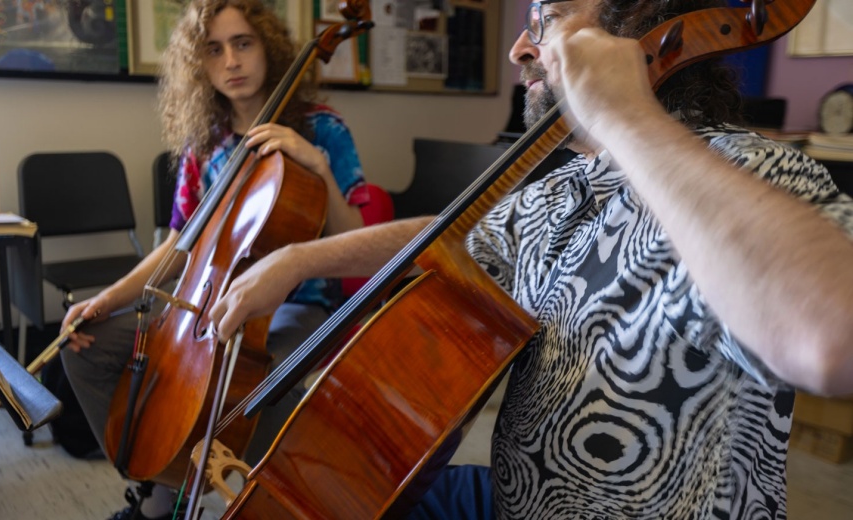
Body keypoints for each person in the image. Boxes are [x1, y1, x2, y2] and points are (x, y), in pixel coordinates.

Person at [209, 0, 853, 518]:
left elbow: (833, 337)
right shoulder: (567, 186)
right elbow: (446, 233)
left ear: (639, 29)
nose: (521, 48)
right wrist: (296, 259)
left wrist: (629, 116)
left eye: (546, 19)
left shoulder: (754, 173)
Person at [59, 1, 367, 519]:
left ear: (267, 46)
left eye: (243, 43)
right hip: (204, 302)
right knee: (83, 349)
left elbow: (355, 239)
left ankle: (176, 506)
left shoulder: (323, 131)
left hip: (293, 308)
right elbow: (179, 243)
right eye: (214, 49)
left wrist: (316, 166)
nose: (232, 61)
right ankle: (161, 479)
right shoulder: (205, 144)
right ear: (199, 64)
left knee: (244, 374)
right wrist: (108, 299)